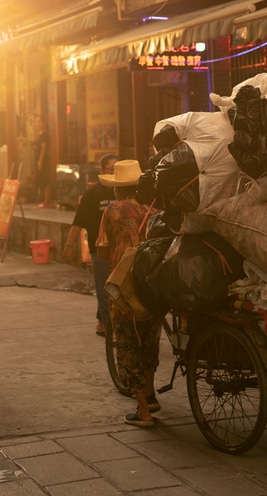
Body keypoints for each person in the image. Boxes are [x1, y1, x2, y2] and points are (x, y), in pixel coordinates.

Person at [96, 159, 162, 428]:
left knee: (126, 345)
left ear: (116, 189)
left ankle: (144, 411)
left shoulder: (111, 212)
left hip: (124, 288)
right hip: (151, 287)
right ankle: (151, 393)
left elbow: (102, 250)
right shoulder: (153, 210)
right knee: (149, 341)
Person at [70, 154, 117, 336]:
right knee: (106, 289)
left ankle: (101, 323)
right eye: (111, 169)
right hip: (100, 250)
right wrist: (68, 246)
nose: (114, 173)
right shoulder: (93, 195)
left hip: (121, 250)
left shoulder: (124, 192)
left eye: (117, 170)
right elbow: (78, 221)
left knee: (114, 288)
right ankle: (111, 330)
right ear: (102, 171)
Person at [34, 116, 52, 208]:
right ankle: (46, 201)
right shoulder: (40, 134)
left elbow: (43, 149)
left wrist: (40, 160)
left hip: (44, 161)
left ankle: (47, 202)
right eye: (36, 122)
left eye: (39, 122)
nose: (37, 124)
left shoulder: (45, 135)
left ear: (44, 123)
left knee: (45, 181)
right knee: (42, 180)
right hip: (41, 160)